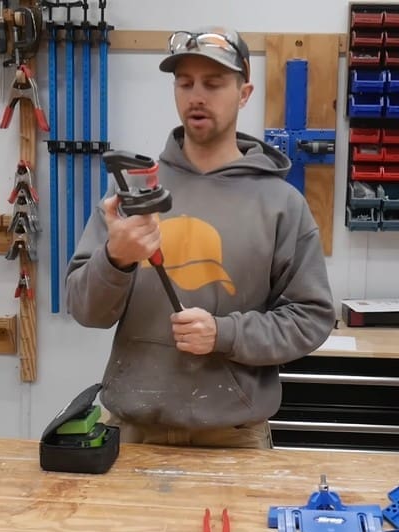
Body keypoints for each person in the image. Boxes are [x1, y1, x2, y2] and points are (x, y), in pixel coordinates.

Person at [65, 25, 335, 449]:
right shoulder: (133, 195)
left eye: (213, 83)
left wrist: (225, 334)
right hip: (133, 432)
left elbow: (312, 318)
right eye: (185, 83)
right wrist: (115, 259)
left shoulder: (280, 203)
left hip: (234, 438)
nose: (197, 96)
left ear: (244, 93)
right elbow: (85, 310)